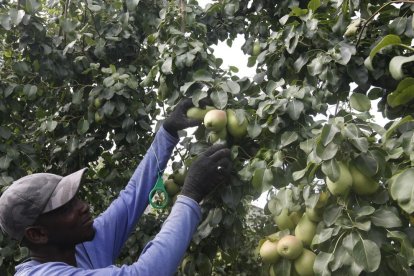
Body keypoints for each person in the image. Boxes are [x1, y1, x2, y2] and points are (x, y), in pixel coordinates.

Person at [0, 99, 232, 275]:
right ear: (38, 234)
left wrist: (167, 133)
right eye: (66, 207)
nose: (83, 207)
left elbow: (129, 200)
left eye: (76, 198)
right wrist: (190, 194)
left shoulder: (80, 246)